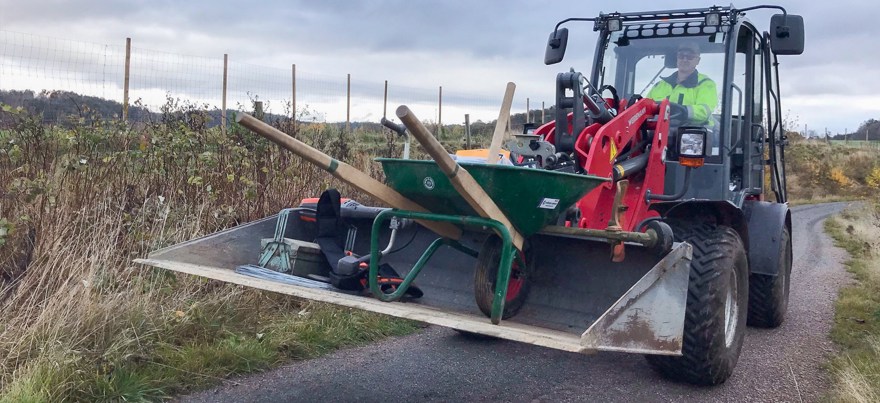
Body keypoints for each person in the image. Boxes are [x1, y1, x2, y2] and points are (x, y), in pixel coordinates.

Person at [647, 41, 718, 126]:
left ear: (697, 60)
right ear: (677, 58)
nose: (684, 59)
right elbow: (645, 108)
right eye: (681, 56)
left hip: (695, 133)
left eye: (690, 56)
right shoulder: (659, 86)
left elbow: (704, 112)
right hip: (660, 131)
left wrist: (682, 111)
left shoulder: (705, 84)